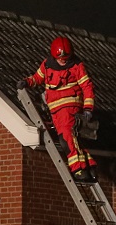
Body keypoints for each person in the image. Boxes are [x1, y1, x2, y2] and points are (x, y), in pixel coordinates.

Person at [17, 36, 97, 183]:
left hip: (70, 108)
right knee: (74, 138)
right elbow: (37, 78)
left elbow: (87, 86)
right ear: (54, 55)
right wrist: (27, 82)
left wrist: (88, 108)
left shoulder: (76, 66)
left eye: (66, 58)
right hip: (56, 111)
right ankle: (89, 166)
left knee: (66, 137)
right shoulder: (47, 65)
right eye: (60, 58)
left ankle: (78, 169)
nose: (63, 61)